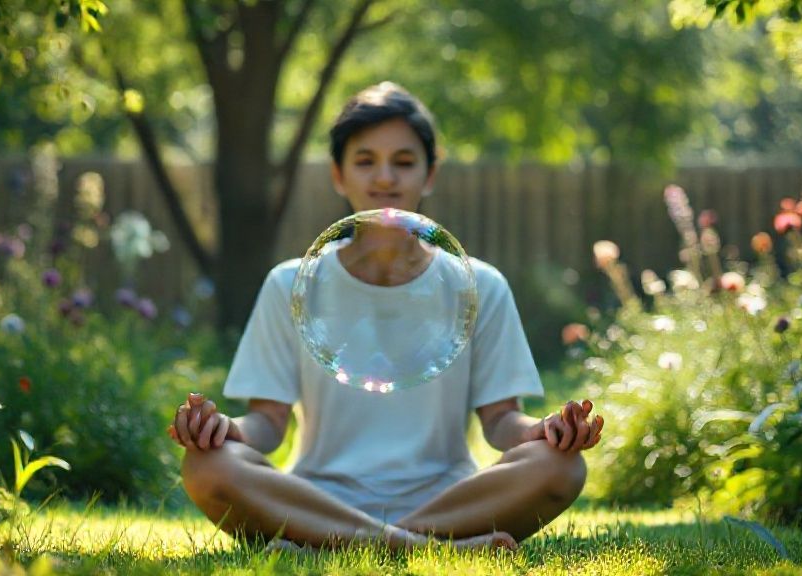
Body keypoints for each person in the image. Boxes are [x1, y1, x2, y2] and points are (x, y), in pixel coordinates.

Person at [168, 81, 603, 551]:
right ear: (338, 174)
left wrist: (543, 432)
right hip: (317, 497)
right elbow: (268, 425)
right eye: (365, 160)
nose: (384, 179)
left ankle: (330, 545)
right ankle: (421, 548)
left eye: (403, 162)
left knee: (561, 466)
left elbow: (501, 423)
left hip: (450, 499)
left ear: (429, 173)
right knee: (207, 465)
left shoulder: (480, 285)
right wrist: (224, 430)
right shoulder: (290, 284)